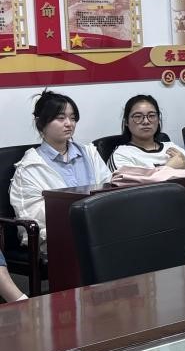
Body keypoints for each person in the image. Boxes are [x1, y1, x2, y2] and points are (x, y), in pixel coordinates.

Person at [10, 90, 112, 244]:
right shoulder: (29, 167)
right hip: (59, 240)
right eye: (60, 118)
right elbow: (33, 217)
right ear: (41, 122)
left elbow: (109, 190)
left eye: (73, 118)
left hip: (101, 230)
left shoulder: (90, 154)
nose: (69, 123)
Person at [108, 95, 185, 171]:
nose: (146, 121)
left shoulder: (173, 148)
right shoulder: (121, 154)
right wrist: (167, 168)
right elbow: (130, 185)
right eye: (138, 116)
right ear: (126, 122)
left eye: (152, 116)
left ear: (158, 120)